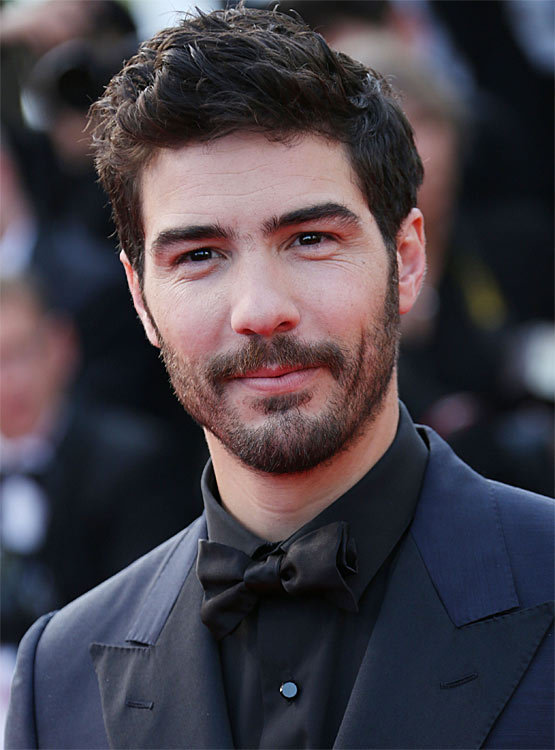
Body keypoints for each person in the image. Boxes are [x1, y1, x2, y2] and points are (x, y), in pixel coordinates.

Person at [5, 6, 553, 749]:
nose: (261, 311)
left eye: (309, 239)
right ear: (140, 299)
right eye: (197, 254)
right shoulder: (58, 679)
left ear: (408, 260)